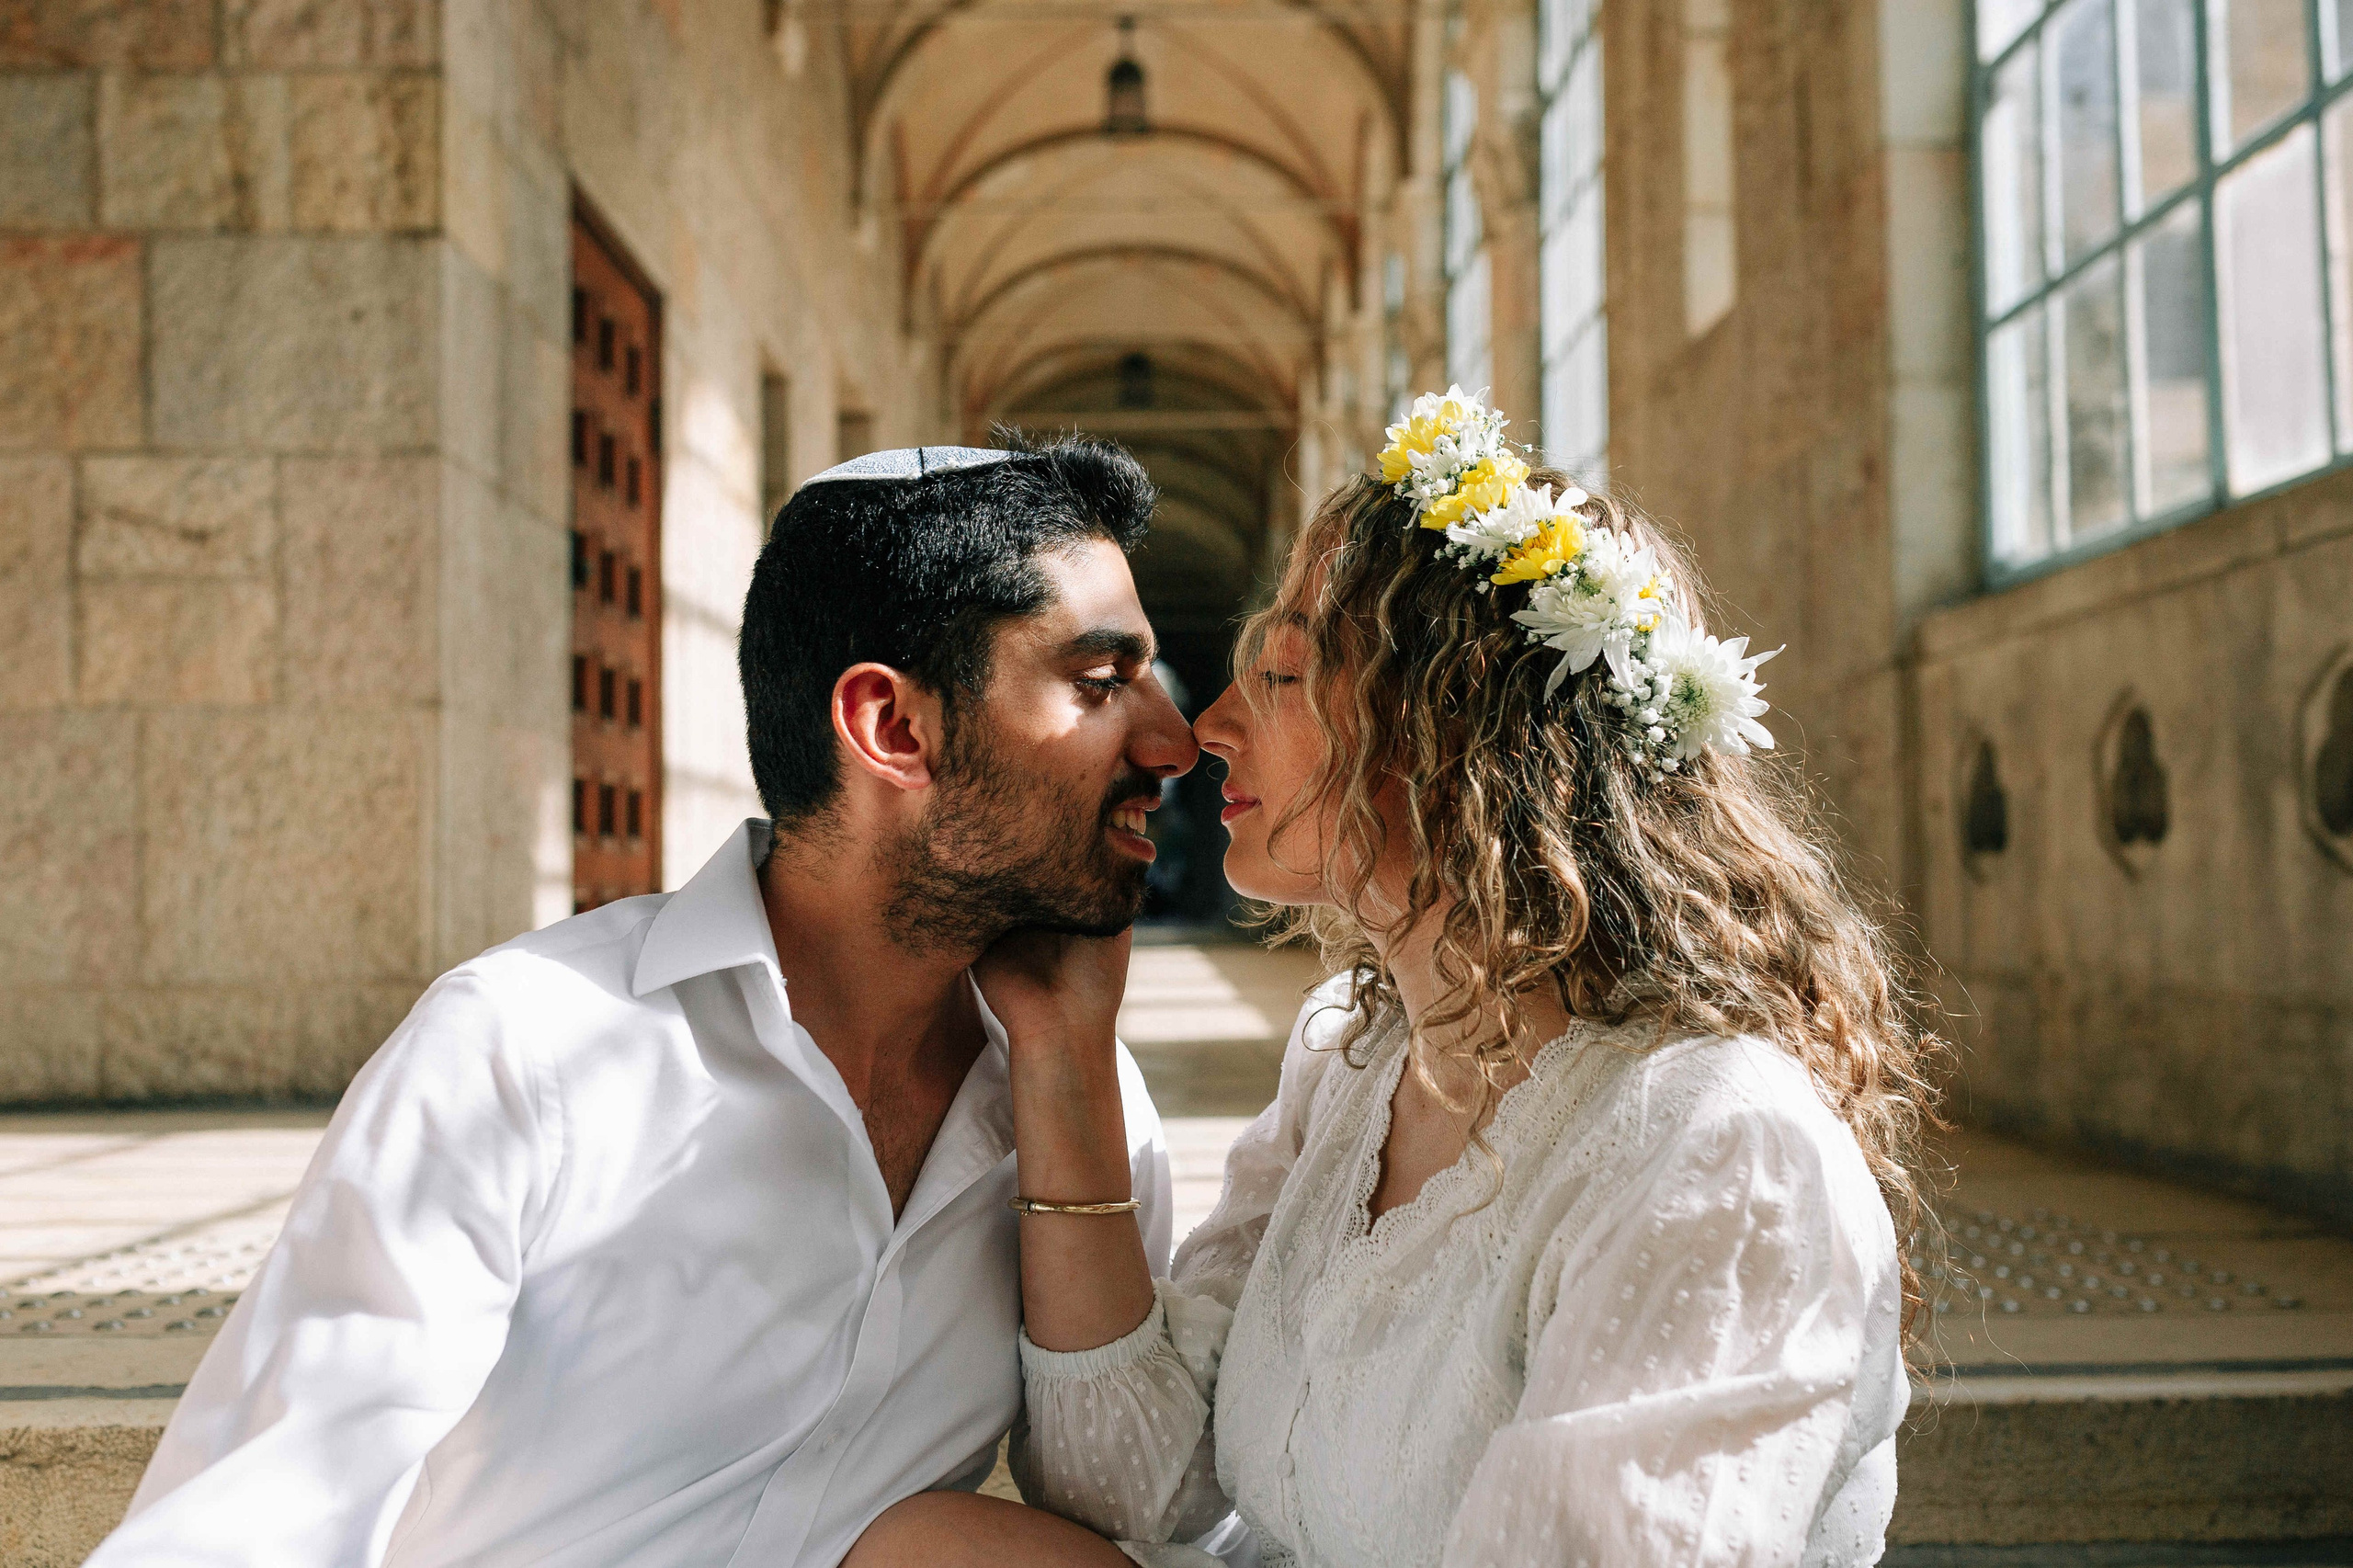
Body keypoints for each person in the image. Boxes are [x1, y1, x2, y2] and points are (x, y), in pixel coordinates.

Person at [851, 389, 1941, 1567]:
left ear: (1448, 731)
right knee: (915, 1542)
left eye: (1279, 672)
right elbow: (1135, 1488)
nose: (1207, 726)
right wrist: (1063, 1047)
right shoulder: (1354, 1060)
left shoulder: (1711, 1145)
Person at [86, 439, 1198, 1567]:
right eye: (1101, 682)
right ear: (892, 727)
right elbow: (257, 1513)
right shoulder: (527, 1047)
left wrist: (1067, 1062)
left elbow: (1130, 1512)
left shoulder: (1073, 1093)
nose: (1173, 743)